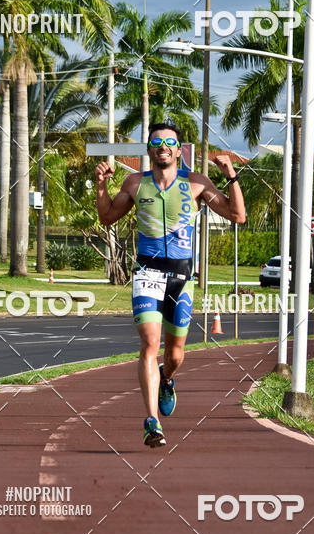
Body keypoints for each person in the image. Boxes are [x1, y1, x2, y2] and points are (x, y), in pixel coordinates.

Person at [96, 122, 246, 448]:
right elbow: (108, 217)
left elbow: (237, 216)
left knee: (175, 353)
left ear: (179, 150)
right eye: (156, 141)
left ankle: (168, 377)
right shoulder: (135, 183)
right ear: (149, 148)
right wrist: (100, 187)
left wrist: (230, 175)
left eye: (169, 142)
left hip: (182, 277)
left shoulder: (196, 184)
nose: (163, 146)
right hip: (147, 272)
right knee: (150, 343)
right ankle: (152, 421)